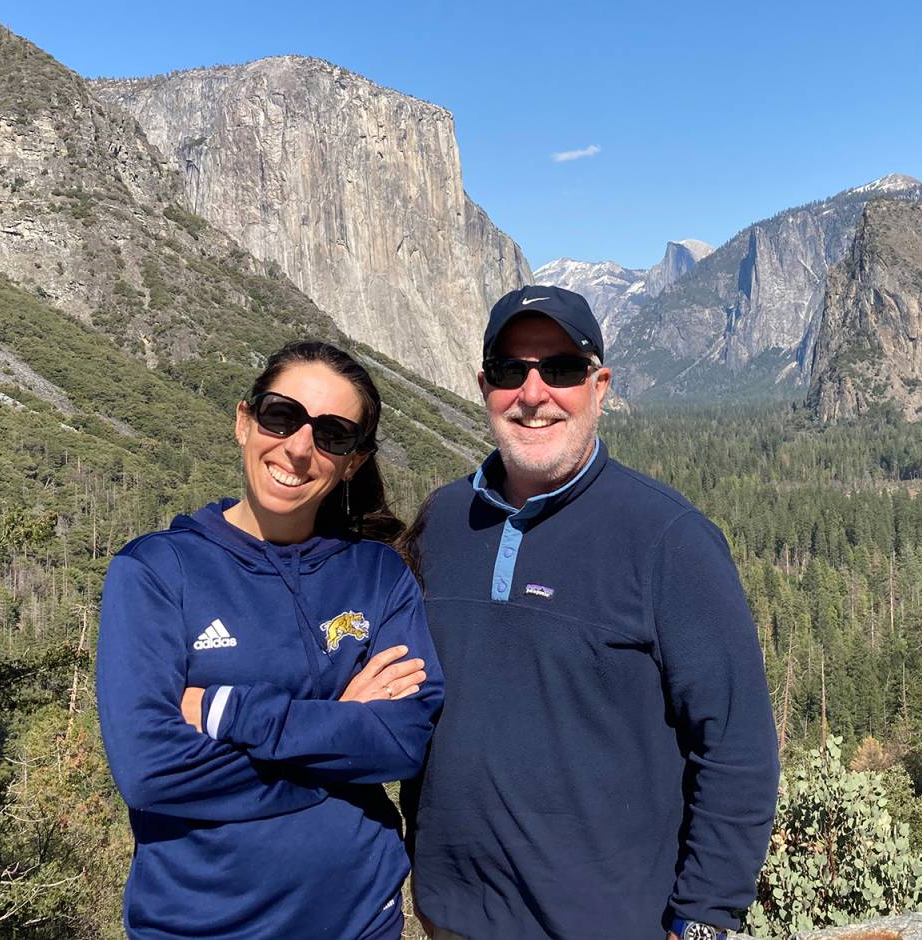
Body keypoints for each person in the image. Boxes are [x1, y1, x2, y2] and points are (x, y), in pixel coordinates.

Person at [404, 286, 779, 940]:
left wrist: (705, 920)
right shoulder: (441, 524)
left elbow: (737, 747)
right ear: (482, 386)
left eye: (562, 369)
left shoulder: (668, 538)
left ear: (600, 386)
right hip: (449, 919)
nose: (533, 391)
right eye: (508, 370)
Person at [96, 340, 443, 940]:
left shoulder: (379, 574)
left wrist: (230, 712)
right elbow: (150, 771)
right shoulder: (157, 572)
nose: (300, 447)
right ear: (244, 420)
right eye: (282, 416)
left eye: (333, 434)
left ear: (354, 462)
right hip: (202, 924)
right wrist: (340, 729)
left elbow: (403, 740)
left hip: (361, 919)